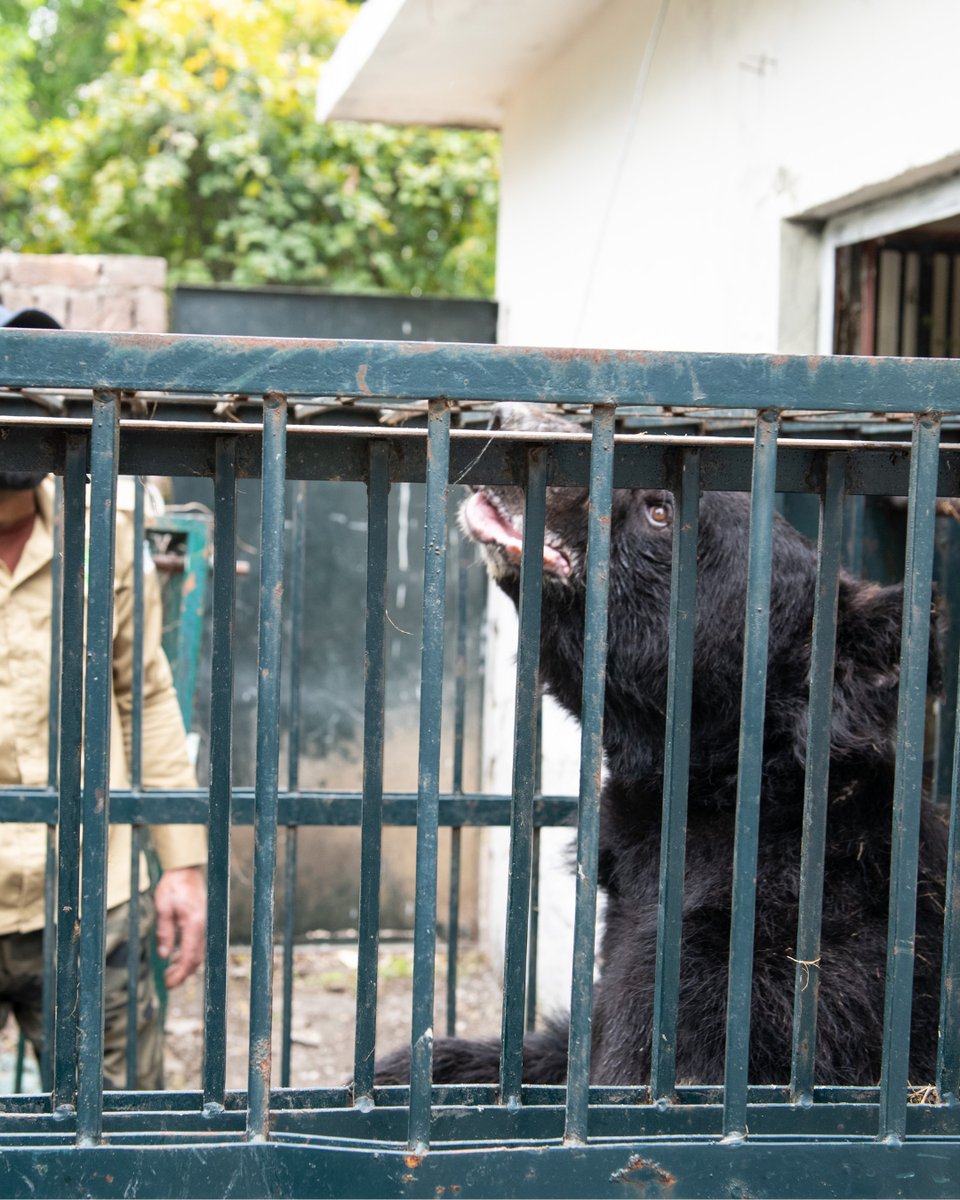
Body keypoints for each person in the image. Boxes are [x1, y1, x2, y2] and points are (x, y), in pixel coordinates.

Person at [0, 303, 207, 1089]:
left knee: (112, 1132)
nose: (14, 410)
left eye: (29, 390)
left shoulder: (106, 529)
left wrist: (181, 864)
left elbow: (143, 691)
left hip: (91, 902)